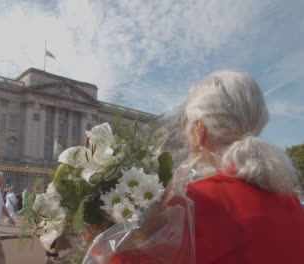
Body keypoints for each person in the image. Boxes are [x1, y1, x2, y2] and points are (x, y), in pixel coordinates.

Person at [106, 71, 304, 264]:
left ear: (199, 129)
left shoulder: (187, 203)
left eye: (187, 123)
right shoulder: (290, 199)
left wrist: (130, 234)